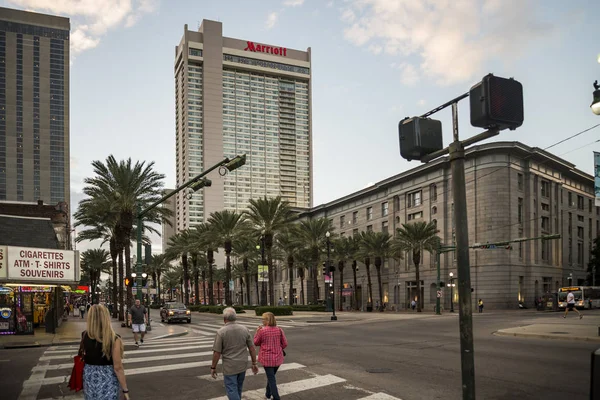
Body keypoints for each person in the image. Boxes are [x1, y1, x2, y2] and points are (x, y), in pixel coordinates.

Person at [81, 305, 129, 399]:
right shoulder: (114, 339)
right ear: (106, 318)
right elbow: (118, 367)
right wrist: (125, 389)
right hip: (107, 379)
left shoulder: (84, 335)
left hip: (89, 379)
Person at [210, 307, 258, 400]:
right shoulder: (244, 329)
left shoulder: (221, 332)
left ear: (224, 319)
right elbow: (252, 348)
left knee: (231, 390)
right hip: (242, 364)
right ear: (235, 317)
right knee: (238, 388)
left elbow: (217, 352)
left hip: (230, 366)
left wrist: (213, 367)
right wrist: (254, 363)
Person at [254, 312, 288, 400]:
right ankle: (268, 394)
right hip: (278, 358)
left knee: (271, 379)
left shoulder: (262, 331)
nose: (262, 321)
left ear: (268, 320)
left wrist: (257, 332)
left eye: (263, 319)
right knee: (271, 377)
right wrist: (278, 348)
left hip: (267, 359)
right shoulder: (279, 330)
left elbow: (256, 342)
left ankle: (276, 397)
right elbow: (285, 344)